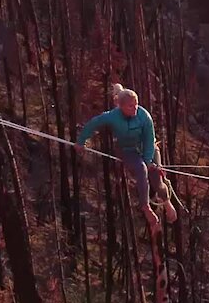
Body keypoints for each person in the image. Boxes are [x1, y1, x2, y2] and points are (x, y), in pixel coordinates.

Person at [76, 83, 177, 227]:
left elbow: (149, 140)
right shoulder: (112, 116)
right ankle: (145, 206)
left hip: (149, 148)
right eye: (130, 106)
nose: (135, 107)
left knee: (157, 180)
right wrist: (81, 141)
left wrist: (149, 160)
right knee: (141, 169)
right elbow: (93, 124)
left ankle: (167, 202)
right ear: (121, 107)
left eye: (136, 104)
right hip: (128, 150)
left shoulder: (144, 116)